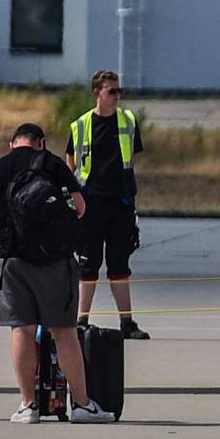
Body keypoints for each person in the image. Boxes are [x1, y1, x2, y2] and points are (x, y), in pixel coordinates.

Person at [0, 122, 114, 423]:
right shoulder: (51, 163)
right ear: (41, 142)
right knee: (64, 333)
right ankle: (81, 404)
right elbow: (79, 207)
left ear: (12, 143)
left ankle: (28, 405)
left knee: (21, 330)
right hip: (55, 260)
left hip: (12, 261)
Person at [65, 70, 147, 339]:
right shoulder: (81, 125)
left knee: (119, 264)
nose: (117, 96)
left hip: (120, 204)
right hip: (90, 205)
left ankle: (127, 322)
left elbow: (132, 157)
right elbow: (71, 162)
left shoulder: (128, 121)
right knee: (88, 265)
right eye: (111, 91)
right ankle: (82, 319)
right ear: (97, 92)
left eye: (118, 91)